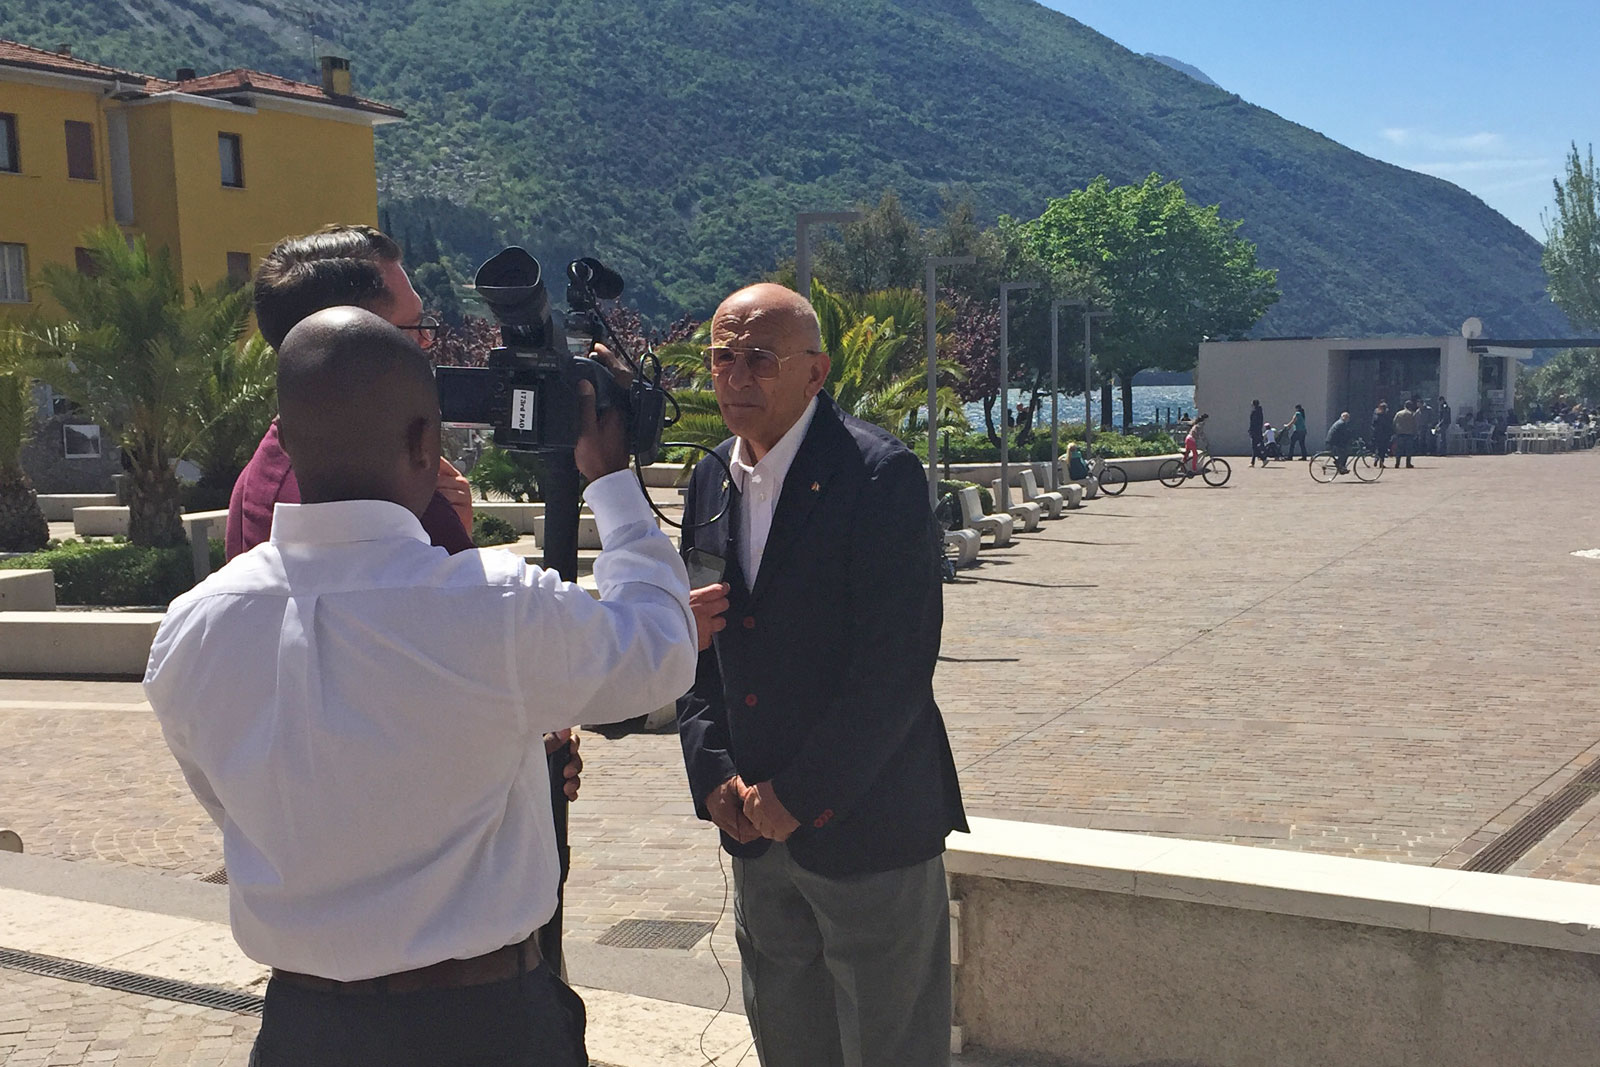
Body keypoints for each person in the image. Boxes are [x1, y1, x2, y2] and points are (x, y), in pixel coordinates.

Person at [145, 309, 697, 1066]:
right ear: (423, 444)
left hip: (303, 1030)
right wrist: (612, 483)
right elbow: (662, 650)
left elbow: (232, 804)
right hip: (483, 1027)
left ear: (287, 438)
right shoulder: (494, 604)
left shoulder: (191, 627)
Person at [675, 283, 967, 1067]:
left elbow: (896, 669)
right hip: (753, 830)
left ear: (816, 371)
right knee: (788, 1044)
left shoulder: (878, 475)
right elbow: (697, 643)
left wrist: (798, 795)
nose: (736, 375)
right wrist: (712, 773)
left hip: (868, 829)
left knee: (891, 1049)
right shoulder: (709, 479)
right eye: (722, 356)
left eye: (759, 358)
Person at [226, 225, 473, 562]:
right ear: (351, 335)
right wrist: (453, 541)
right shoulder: (381, 491)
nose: (426, 343)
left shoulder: (263, 478)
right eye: (413, 328)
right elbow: (448, 594)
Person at [1391, 400, 1419, 468]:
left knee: (1399, 449)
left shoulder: (1398, 413)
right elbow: (1415, 425)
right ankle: (1408, 463)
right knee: (1408, 450)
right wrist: (1415, 433)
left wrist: (1395, 431)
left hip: (1400, 434)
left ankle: (1397, 463)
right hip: (1409, 434)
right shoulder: (1412, 414)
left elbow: (1394, 423)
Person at [1371, 401, 1394, 468]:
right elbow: (1389, 425)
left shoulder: (1376, 415)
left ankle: (1376, 458)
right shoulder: (1386, 415)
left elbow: (1373, 424)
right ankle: (1381, 463)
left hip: (1377, 434)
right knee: (1383, 449)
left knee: (1378, 448)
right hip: (1384, 435)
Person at [1248, 399, 1267, 466]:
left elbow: (1252, 423)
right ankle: (1252, 462)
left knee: (1254, 447)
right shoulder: (1260, 412)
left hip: (1254, 432)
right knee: (1255, 446)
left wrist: (1250, 430)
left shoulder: (1254, 412)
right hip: (1258, 431)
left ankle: (1263, 459)